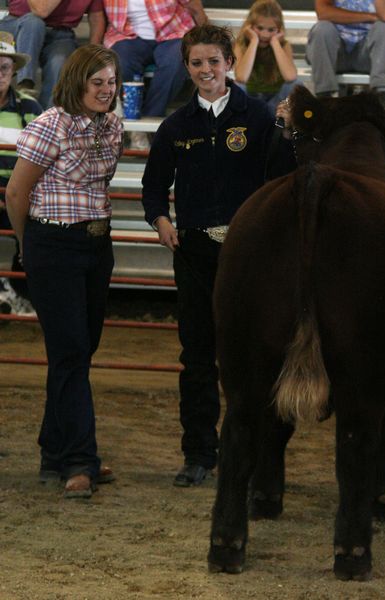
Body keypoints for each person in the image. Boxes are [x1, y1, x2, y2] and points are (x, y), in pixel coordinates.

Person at [142, 23, 296, 487]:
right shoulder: (175, 126)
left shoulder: (260, 116)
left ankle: (252, 456)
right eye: (196, 63)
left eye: (214, 61)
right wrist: (161, 221)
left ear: (230, 63)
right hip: (194, 256)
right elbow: (153, 187)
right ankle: (199, 453)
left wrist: (287, 134)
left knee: (253, 357)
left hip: (249, 259)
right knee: (197, 356)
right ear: (186, 67)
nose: (206, 70)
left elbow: (281, 178)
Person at [5, 44, 123, 499]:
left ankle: (54, 449)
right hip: (52, 244)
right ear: (77, 82)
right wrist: (27, 246)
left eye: (111, 83)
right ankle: (79, 459)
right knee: (73, 350)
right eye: (98, 83)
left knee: (77, 349)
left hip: (96, 244)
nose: (107, 91)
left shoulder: (110, 124)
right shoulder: (48, 125)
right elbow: (17, 193)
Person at [102, 0, 208, 118]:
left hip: (173, 33)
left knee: (175, 62)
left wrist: (207, 38)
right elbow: (95, 13)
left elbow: (194, 5)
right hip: (126, 36)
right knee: (120, 62)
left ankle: (150, 118)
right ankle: (133, 114)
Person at [0, 31, 41, 315]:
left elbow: (42, 157)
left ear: (13, 71)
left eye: (4, 67)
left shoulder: (29, 107)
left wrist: (14, 194)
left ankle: (12, 290)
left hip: (19, 192)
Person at [0, 1, 106, 109]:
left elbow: (96, 17)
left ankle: (45, 117)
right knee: (35, 23)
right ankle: (25, 85)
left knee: (59, 61)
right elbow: (40, 10)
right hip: (21, 25)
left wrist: (93, 53)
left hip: (60, 33)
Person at [305, 0, 385, 121]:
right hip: (336, 52)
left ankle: (383, 98)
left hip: (370, 55)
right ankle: (324, 98)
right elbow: (323, 13)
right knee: (322, 29)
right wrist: (370, 17)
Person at [233, 0, 301, 116]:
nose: (264, 34)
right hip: (250, 100)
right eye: (259, 28)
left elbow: (290, 77)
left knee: (295, 85)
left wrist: (275, 43)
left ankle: (277, 124)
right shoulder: (241, 45)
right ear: (249, 26)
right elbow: (241, 78)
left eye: (271, 30)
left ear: (279, 29)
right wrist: (253, 41)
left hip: (276, 102)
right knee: (236, 87)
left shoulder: (284, 45)